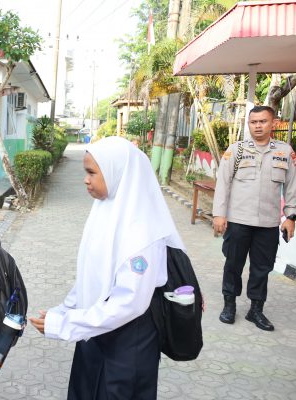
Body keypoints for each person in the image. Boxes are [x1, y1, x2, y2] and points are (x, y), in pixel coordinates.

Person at [29, 136, 186, 400]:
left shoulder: (143, 233)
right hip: (96, 329)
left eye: (92, 172)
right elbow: (90, 275)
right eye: (85, 171)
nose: (85, 179)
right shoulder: (105, 210)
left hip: (127, 341)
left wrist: (67, 324)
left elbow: (129, 303)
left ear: (118, 173)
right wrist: (63, 311)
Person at [213, 105, 296, 331]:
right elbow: (223, 183)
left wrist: (290, 216)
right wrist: (219, 214)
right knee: (233, 264)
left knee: (262, 268)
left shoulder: (284, 152)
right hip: (238, 221)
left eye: (263, 121)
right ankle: (229, 305)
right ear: (249, 124)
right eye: (254, 122)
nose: (258, 126)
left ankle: (256, 310)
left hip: (268, 224)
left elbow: (292, 186)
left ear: (274, 124)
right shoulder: (237, 150)